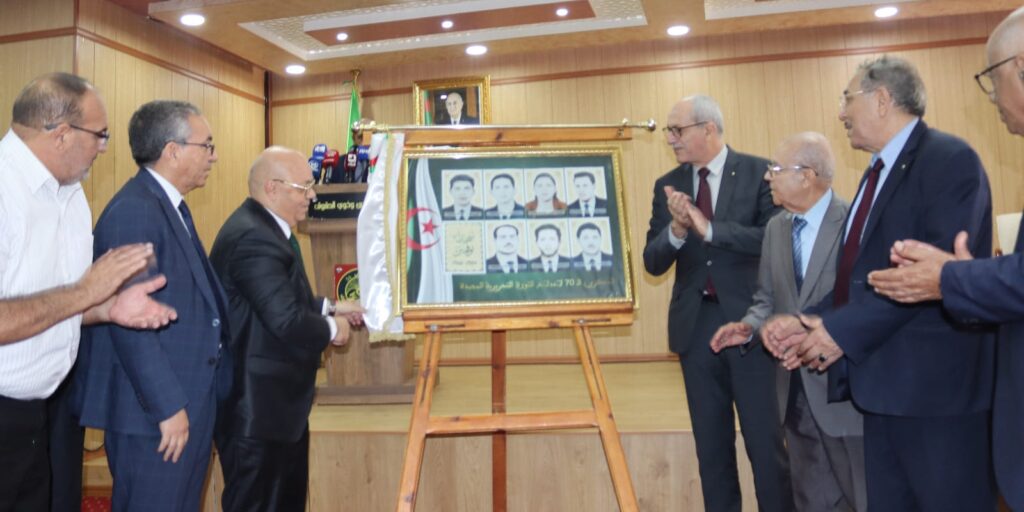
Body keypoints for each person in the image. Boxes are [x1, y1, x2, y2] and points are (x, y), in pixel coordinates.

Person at [761, 56, 997, 511]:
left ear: (883, 99)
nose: (841, 113)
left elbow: (928, 280)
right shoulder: (876, 174)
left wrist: (839, 331)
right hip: (881, 392)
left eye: (847, 98)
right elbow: (863, 280)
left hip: (935, 397)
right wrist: (812, 321)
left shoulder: (949, 160)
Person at [865, 8, 1024, 509]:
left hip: (942, 394)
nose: (993, 97)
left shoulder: (948, 158)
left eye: (992, 78)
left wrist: (952, 279)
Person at [0, 73, 175, 512]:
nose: (104, 147)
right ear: (61, 134)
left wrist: (106, 309)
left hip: (45, 410)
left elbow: (54, 305)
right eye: (100, 135)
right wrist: (85, 292)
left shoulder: (72, 196)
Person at [77, 100, 232, 511]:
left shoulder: (168, 206)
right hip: (154, 415)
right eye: (207, 145)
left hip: (185, 402)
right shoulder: (134, 211)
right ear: (172, 151)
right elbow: (130, 324)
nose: (214, 156)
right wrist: (167, 407)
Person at [643, 94, 790, 512]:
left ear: (709, 129)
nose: (670, 138)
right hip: (696, 328)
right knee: (711, 449)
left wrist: (709, 230)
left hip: (752, 325)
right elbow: (652, 262)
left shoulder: (760, 173)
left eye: (677, 130)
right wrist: (676, 230)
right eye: (669, 131)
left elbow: (773, 238)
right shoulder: (667, 184)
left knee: (765, 444)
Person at [710, 132, 865, 512]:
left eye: (776, 169)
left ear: (807, 175)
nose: (768, 177)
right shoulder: (776, 229)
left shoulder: (855, 224)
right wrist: (749, 326)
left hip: (844, 392)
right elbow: (767, 298)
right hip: (794, 392)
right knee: (810, 499)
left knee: (862, 497)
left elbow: (863, 301)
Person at [210, 146, 364, 512]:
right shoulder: (253, 238)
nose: (312, 195)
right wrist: (332, 329)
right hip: (255, 411)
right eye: (304, 187)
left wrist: (331, 306)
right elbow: (285, 320)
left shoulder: (264, 229)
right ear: (272, 188)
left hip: (275, 408)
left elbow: (275, 299)